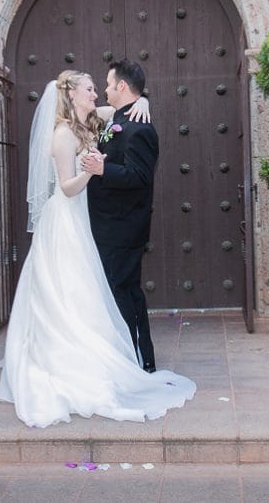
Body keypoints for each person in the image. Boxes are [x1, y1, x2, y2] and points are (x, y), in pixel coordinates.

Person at [0, 70, 195, 428]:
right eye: (90, 89)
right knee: (69, 292)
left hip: (89, 222)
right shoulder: (61, 133)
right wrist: (93, 171)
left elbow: (123, 107)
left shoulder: (92, 119)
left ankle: (112, 355)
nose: (97, 93)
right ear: (72, 95)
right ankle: (67, 360)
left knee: (90, 291)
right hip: (67, 218)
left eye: (101, 86)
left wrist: (144, 99)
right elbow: (68, 187)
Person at [80, 60, 158, 371]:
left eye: (110, 84)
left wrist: (103, 169)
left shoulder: (140, 128)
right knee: (117, 292)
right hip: (106, 225)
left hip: (122, 229)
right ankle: (128, 356)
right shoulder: (119, 118)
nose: (105, 90)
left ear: (122, 87)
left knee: (125, 293)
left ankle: (141, 359)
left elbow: (141, 177)